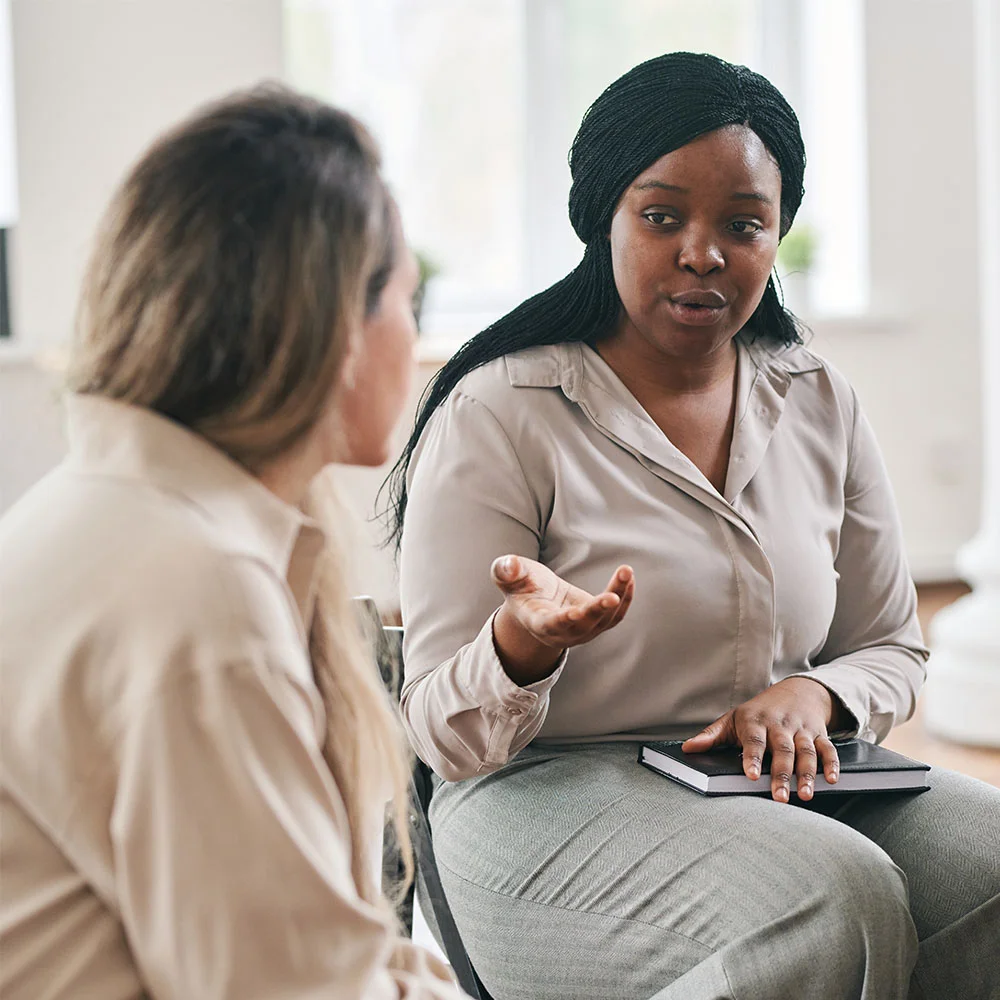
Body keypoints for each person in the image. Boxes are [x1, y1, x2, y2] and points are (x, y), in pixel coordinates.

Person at [389, 53, 1000, 1000]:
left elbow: (888, 646)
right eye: (663, 216)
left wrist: (818, 698)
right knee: (833, 899)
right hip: (541, 795)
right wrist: (519, 645)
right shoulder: (503, 409)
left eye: (743, 224)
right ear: (604, 216)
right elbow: (444, 733)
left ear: (777, 234)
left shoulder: (818, 399)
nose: (703, 253)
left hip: (771, 781)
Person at [0, 88, 466, 1000]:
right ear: (338, 326)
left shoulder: (105, 511)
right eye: (410, 300)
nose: (416, 342)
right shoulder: (199, 600)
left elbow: (314, 948)